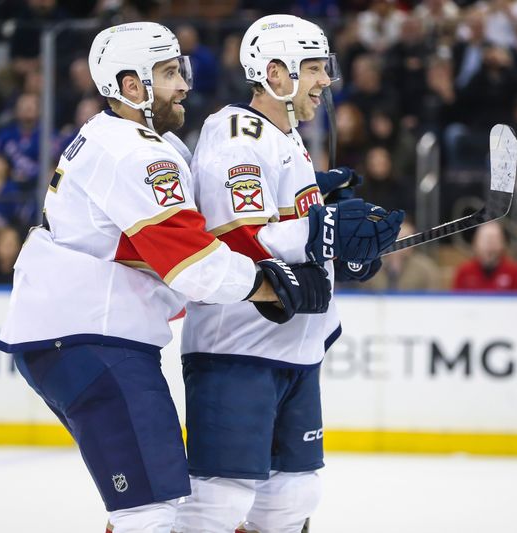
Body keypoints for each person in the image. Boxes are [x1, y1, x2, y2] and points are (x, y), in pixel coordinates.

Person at [0, 22, 358, 533]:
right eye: (168, 73)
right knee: (150, 513)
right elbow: (194, 262)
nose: (184, 84)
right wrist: (272, 283)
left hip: (83, 335)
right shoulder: (137, 154)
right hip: (89, 337)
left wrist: (298, 197)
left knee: (163, 505)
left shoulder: (123, 139)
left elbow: (199, 221)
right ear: (131, 86)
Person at [173, 15, 404, 533]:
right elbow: (237, 236)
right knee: (220, 501)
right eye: (316, 68)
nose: (326, 80)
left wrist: (343, 245)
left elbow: (288, 226)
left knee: (294, 496)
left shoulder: (288, 137)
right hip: (237, 346)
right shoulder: (236, 134)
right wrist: (326, 231)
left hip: (294, 347)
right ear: (275, 74)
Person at [452, 221, 517, 291]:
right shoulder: (464, 271)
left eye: (494, 240)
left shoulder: (515, 272)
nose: (489, 246)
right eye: (485, 240)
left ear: (503, 243)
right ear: (475, 242)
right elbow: (456, 300)